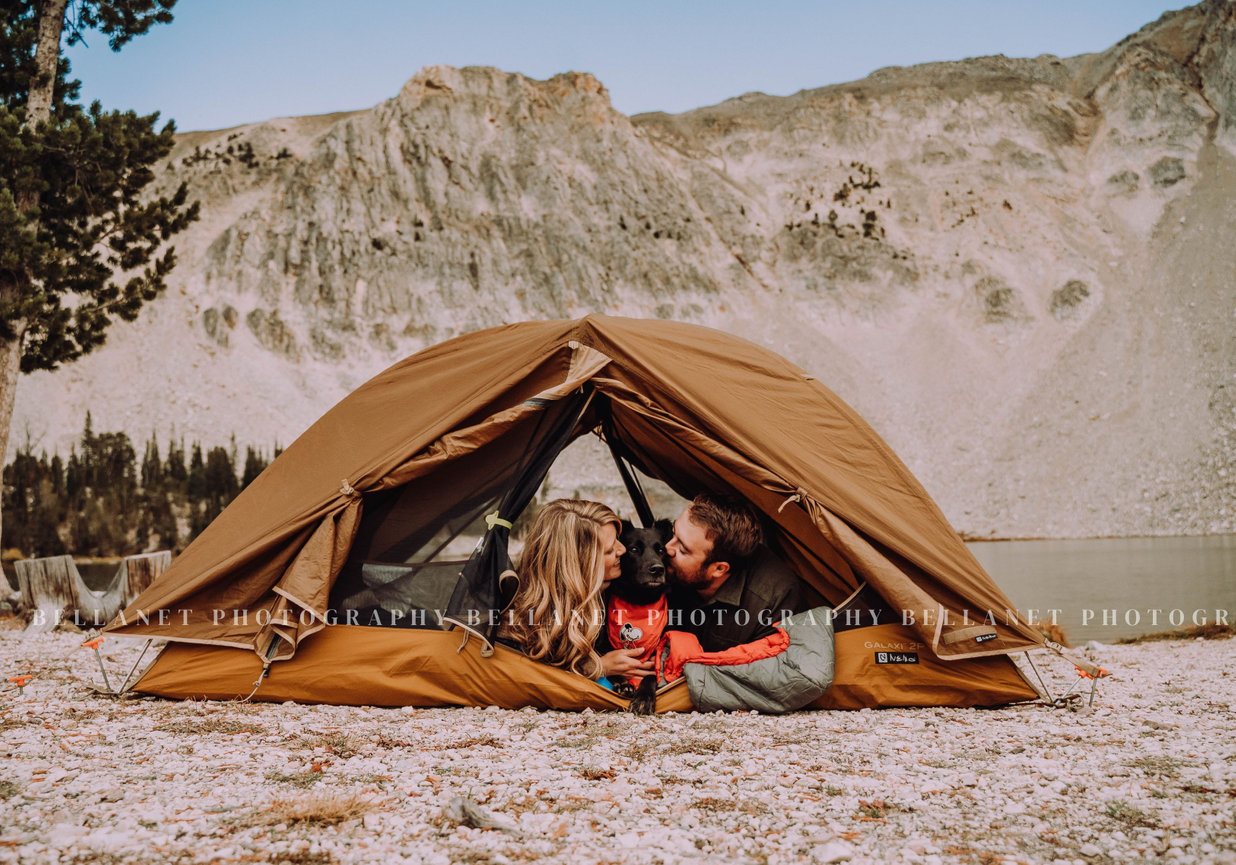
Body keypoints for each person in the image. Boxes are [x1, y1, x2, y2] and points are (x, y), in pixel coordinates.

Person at [497, 499, 653, 682]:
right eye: (610, 550)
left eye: (618, 540)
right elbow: (527, 677)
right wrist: (599, 667)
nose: (623, 549)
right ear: (580, 564)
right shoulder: (518, 617)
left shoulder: (613, 587)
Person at [666, 492, 808, 652]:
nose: (667, 548)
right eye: (673, 532)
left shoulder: (773, 603)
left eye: (683, 550)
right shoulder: (665, 555)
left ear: (719, 569)